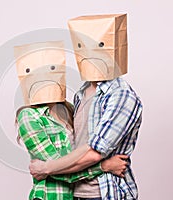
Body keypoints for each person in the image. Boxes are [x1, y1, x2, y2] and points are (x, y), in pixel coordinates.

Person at [29, 14, 143, 200]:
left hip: (105, 193)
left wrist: (46, 168)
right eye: (82, 46)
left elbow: (94, 153)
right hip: (73, 191)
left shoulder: (121, 95)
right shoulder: (82, 92)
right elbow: (75, 147)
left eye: (99, 46)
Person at [14, 41, 128, 200]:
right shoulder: (29, 116)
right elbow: (57, 167)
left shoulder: (69, 108)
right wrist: (104, 166)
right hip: (50, 196)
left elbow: (79, 154)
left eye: (52, 69)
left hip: (77, 195)